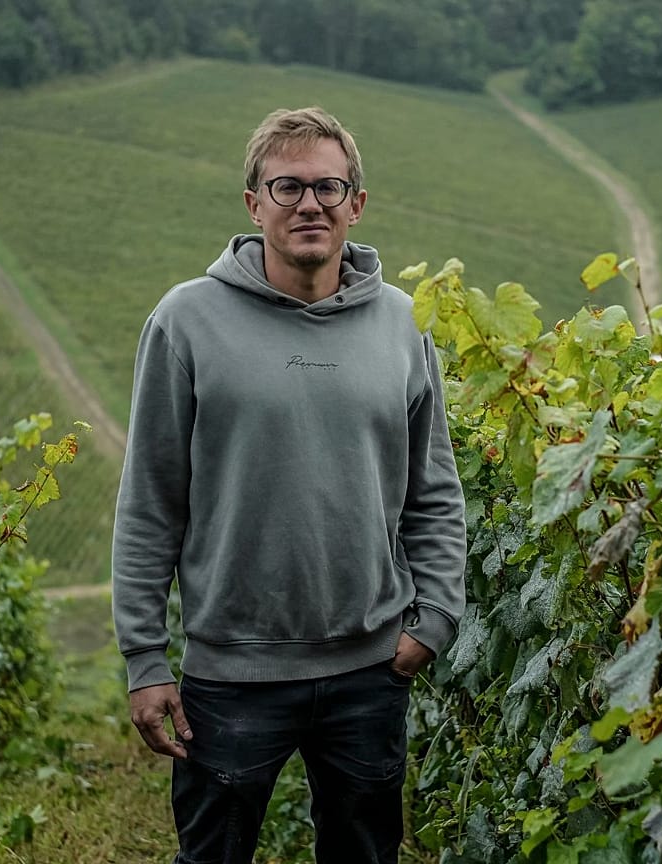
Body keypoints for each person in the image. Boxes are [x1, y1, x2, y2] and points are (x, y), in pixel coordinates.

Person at [111, 106, 467, 864]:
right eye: (288, 187)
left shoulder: (405, 326)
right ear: (254, 204)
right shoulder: (186, 321)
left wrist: (432, 619)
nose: (311, 204)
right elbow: (150, 502)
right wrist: (146, 661)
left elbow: (435, 492)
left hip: (371, 671)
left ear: (357, 204)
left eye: (330, 187)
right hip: (232, 677)